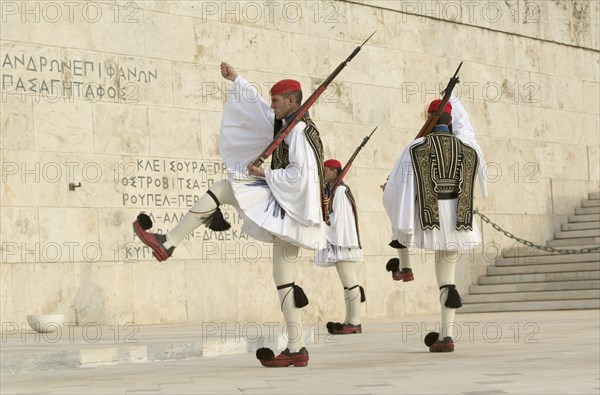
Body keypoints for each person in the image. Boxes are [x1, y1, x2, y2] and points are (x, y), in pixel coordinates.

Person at [133, 62, 328, 367]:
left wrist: (265, 174)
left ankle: (168, 242)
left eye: (276, 100)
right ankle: (297, 348)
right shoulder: (291, 125)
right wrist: (237, 79)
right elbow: (258, 110)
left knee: (224, 189)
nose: (272, 105)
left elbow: (301, 176)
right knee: (284, 280)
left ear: (292, 101)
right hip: (296, 214)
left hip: (292, 210)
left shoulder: (299, 130)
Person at [382, 97, 488, 352]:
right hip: (460, 220)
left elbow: (399, 190)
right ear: (450, 121)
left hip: (428, 218)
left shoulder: (416, 147)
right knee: (447, 280)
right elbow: (482, 181)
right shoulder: (470, 148)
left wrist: (388, 189)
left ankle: (404, 265)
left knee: (396, 209)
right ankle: (446, 335)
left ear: (429, 119)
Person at [315, 159, 365, 335]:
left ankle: (355, 321)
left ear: (335, 172)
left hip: (343, 243)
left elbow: (339, 219)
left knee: (351, 283)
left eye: (327, 170)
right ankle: (349, 321)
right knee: (346, 284)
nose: (325, 173)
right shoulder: (333, 190)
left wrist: (323, 223)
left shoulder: (341, 191)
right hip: (339, 243)